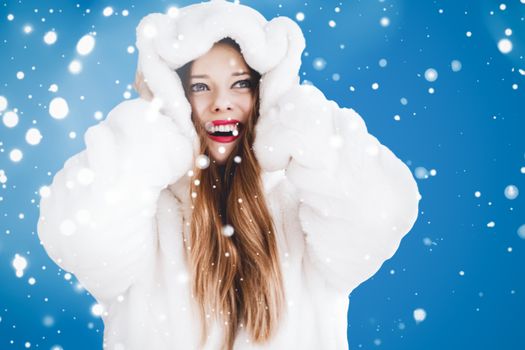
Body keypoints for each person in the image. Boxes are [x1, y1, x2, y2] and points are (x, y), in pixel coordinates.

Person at [37, 1, 421, 349]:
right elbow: (77, 234)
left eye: (241, 84)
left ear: (264, 94)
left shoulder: (306, 209)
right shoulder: (145, 214)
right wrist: (148, 133)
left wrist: (305, 128)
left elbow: (381, 213)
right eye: (201, 87)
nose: (222, 102)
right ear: (176, 98)